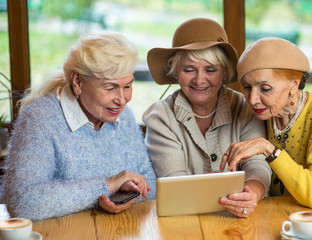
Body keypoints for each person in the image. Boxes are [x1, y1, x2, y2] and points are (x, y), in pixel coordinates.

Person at [3, 32, 156, 221]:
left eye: (127, 86)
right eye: (109, 87)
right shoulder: (40, 118)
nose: (122, 100)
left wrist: (128, 194)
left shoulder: (124, 117)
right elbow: (24, 203)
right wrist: (107, 187)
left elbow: (149, 183)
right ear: (78, 81)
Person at [143, 18, 271, 217]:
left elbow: (257, 166)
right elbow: (175, 186)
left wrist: (251, 193)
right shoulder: (160, 117)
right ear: (175, 71)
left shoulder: (245, 107)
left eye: (210, 69)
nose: (199, 80)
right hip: (182, 222)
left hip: (240, 221)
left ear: (224, 71)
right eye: (188, 69)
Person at [220, 37, 312, 208]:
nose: (253, 99)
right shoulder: (264, 113)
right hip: (282, 216)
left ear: (295, 84)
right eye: (247, 87)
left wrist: (269, 149)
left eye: (265, 88)